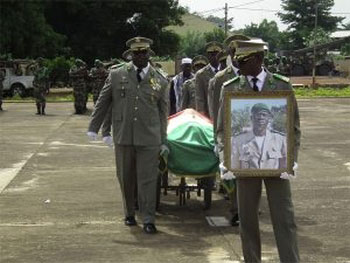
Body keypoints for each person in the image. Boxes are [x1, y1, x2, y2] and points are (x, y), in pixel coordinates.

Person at [216, 39, 301, 263]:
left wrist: (292, 160)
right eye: (237, 61)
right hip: (245, 163)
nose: (239, 65)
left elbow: (294, 127)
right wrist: (224, 158)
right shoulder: (231, 87)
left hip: (277, 163)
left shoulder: (282, 85)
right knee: (247, 221)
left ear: (260, 59)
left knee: (285, 219)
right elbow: (222, 130)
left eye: (244, 61)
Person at [87, 36, 169, 234]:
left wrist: (164, 140)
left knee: (147, 179)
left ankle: (149, 219)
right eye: (136, 52)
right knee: (125, 176)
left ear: (149, 54)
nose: (140, 55)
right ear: (131, 54)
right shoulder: (117, 74)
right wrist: (94, 127)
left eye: (143, 52)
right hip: (124, 135)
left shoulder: (160, 79)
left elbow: (163, 112)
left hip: (149, 137)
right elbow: (103, 101)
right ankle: (129, 213)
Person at [207, 34, 250, 227]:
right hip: (231, 135)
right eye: (234, 51)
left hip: (252, 133)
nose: (237, 55)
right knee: (234, 176)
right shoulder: (220, 79)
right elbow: (215, 109)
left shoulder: (256, 72)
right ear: (230, 53)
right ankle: (236, 210)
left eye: (241, 50)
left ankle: (248, 207)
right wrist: (218, 137)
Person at [231, 103, 287, 169]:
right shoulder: (239, 140)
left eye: (264, 115)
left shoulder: (279, 140)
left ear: (269, 118)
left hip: (272, 179)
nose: (261, 118)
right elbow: (234, 167)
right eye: (257, 115)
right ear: (251, 118)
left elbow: (284, 167)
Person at [195, 41, 223, 118]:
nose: (215, 57)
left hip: (225, 112)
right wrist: (203, 118)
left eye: (217, 54)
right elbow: (200, 99)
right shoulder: (201, 75)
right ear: (207, 56)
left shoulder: (227, 71)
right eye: (212, 55)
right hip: (210, 114)